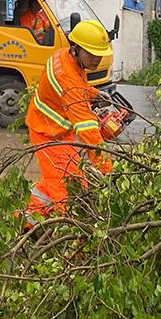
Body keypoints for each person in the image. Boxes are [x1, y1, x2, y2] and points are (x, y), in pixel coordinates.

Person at [23, 20, 118, 222]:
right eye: (92, 54)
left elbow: (77, 87)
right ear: (76, 47)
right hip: (47, 134)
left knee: (60, 182)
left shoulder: (67, 58)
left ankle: (27, 221)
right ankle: (68, 244)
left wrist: (93, 95)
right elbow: (87, 129)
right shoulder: (68, 76)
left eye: (99, 55)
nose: (96, 60)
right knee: (67, 192)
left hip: (58, 131)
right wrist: (107, 168)